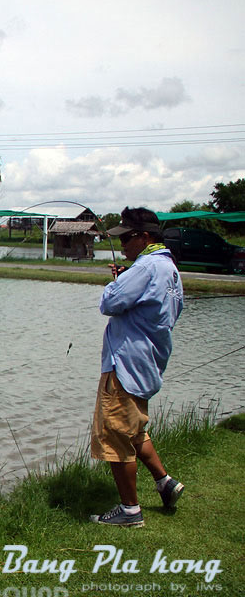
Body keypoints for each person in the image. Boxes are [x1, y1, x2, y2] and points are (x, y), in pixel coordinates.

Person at [89, 207, 184, 527]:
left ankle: (130, 510)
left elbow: (110, 303)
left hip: (125, 362)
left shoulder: (145, 267)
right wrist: (127, 276)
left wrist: (118, 282)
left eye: (128, 238)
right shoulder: (168, 267)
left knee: (115, 433)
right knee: (134, 429)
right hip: (148, 361)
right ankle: (164, 482)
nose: (125, 244)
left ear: (145, 237)